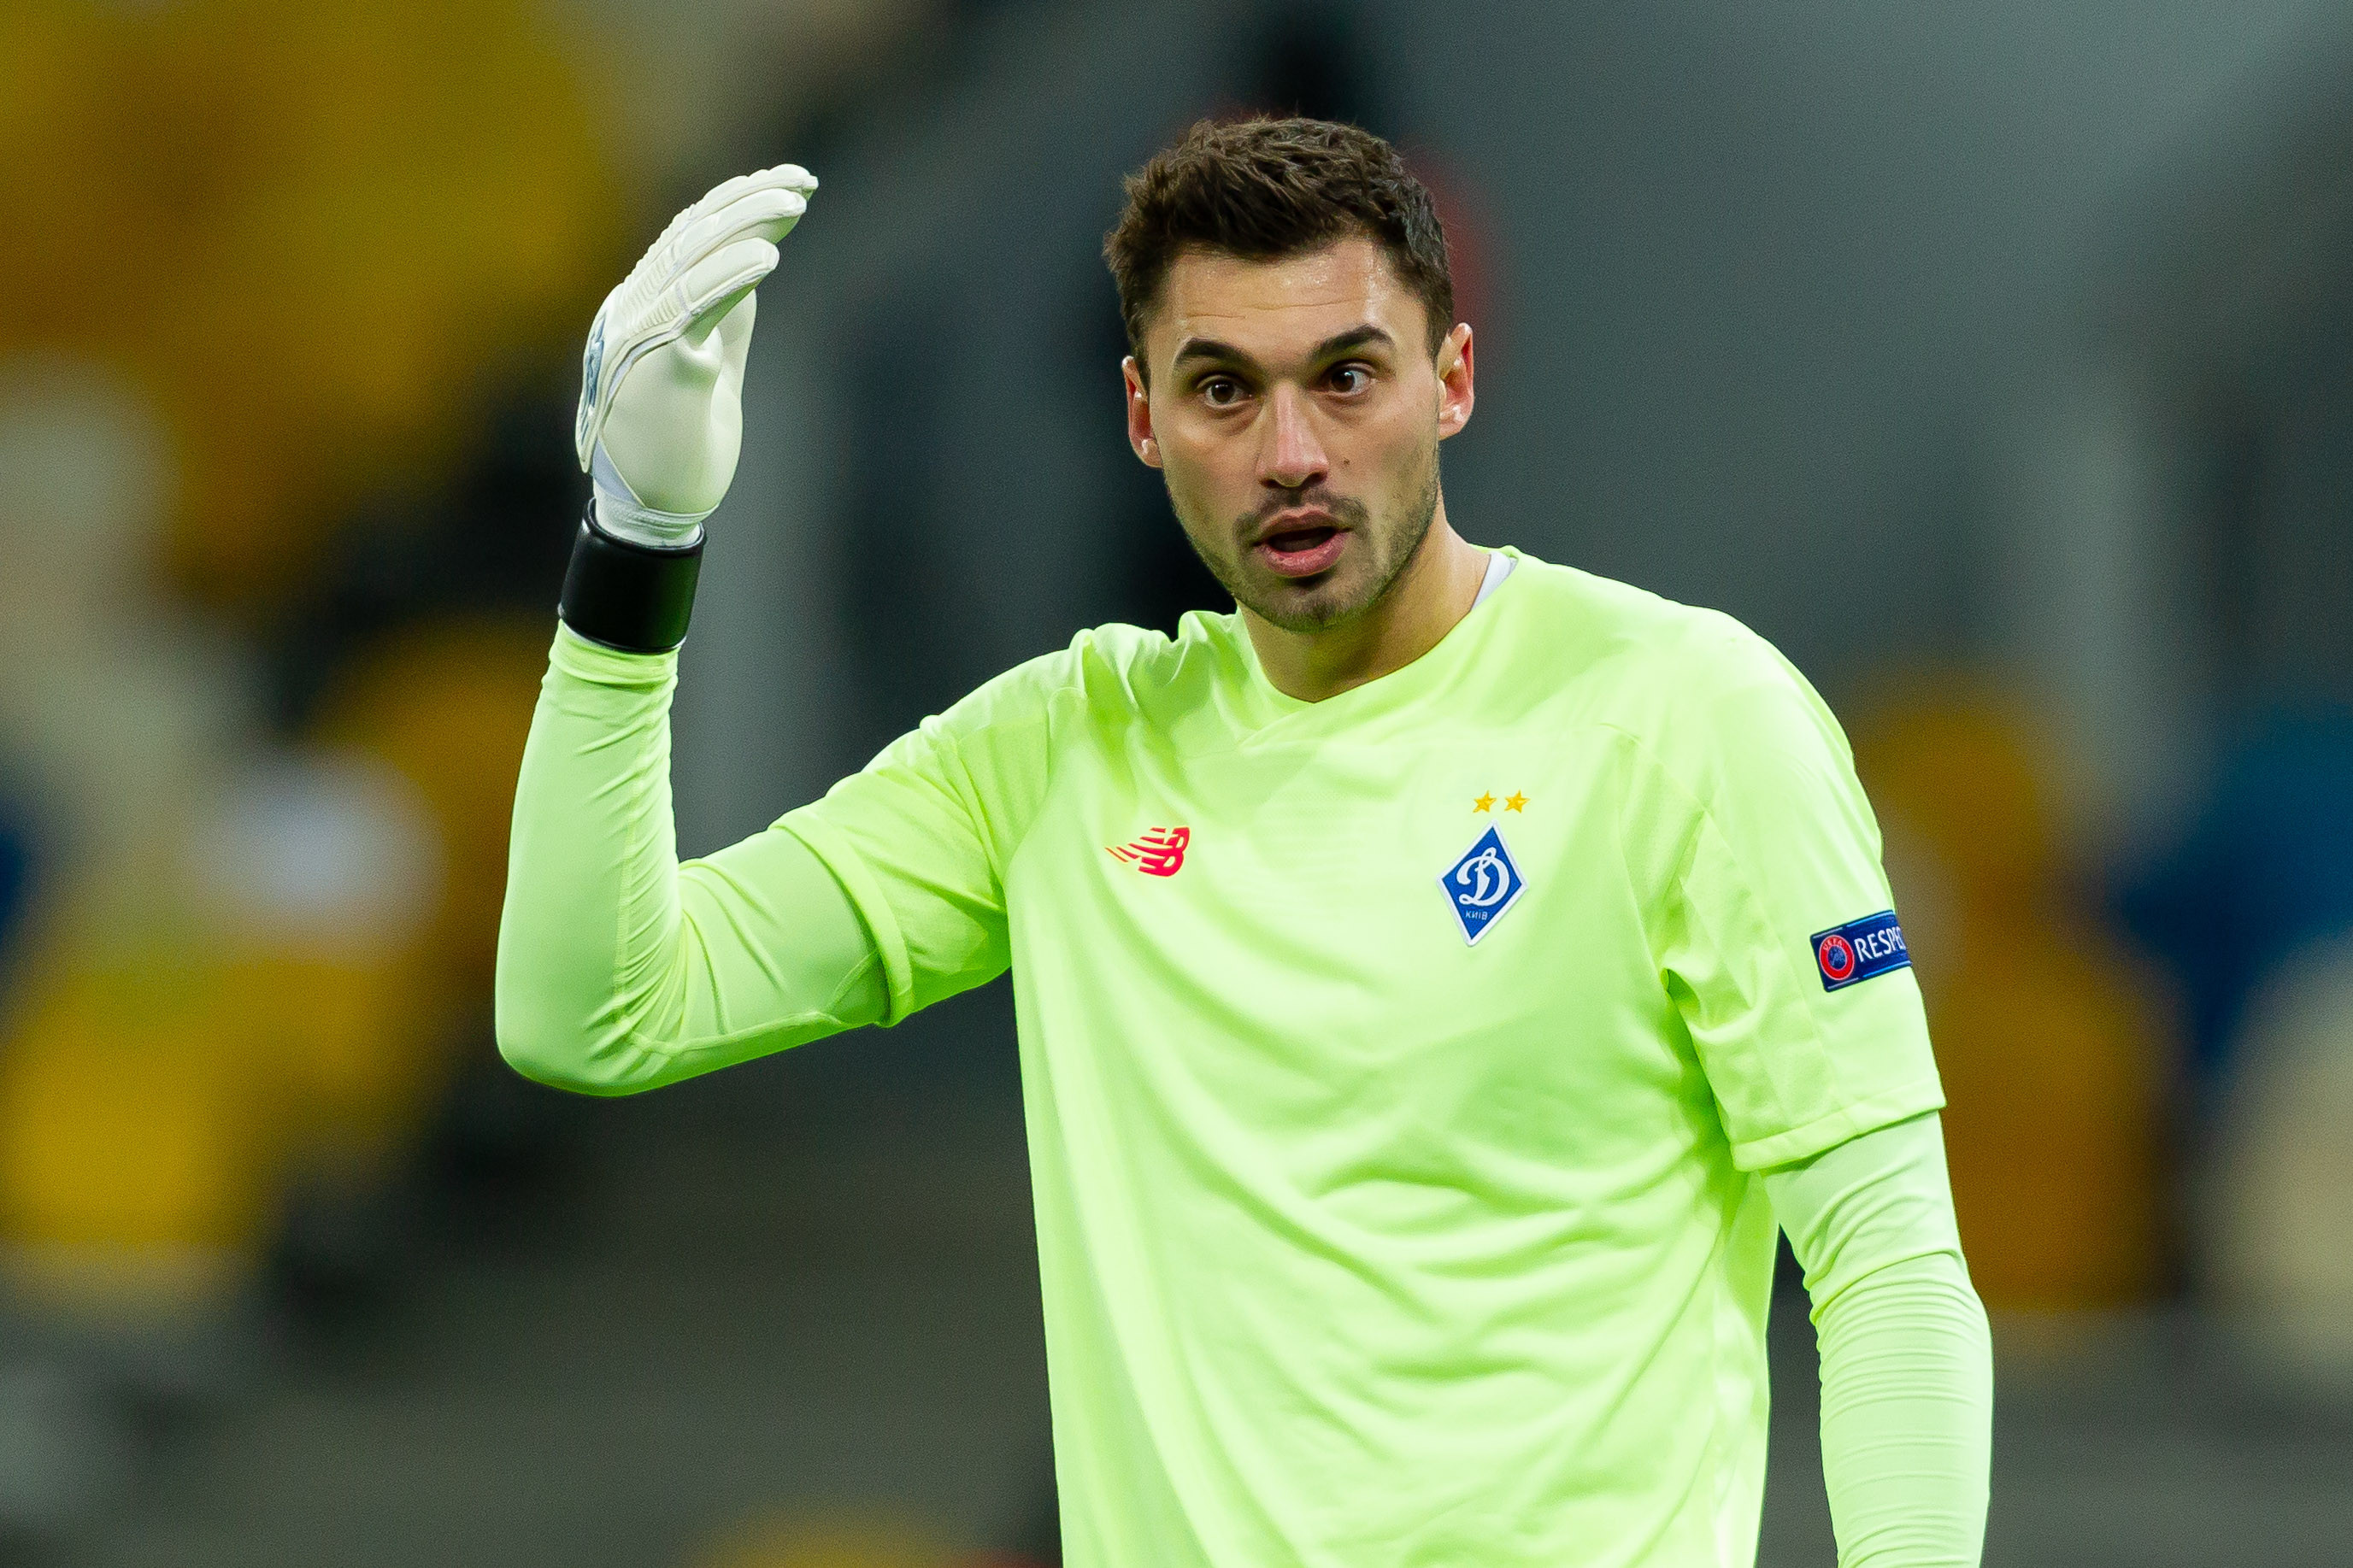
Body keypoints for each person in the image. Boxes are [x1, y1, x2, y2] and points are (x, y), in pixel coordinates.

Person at [498, 118, 1991, 1568]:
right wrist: (638, 543)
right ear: (1141, 417)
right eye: (1222, 390)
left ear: (1451, 380)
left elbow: (1886, 1261)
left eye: (1345, 377)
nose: (1290, 452)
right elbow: (594, 1012)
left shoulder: (1689, 718)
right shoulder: (1059, 751)